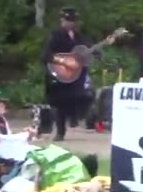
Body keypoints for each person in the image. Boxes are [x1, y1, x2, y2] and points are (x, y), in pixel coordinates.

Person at [41, 8, 111, 141]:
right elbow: (46, 55)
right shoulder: (55, 35)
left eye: (73, 21)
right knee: (59, 102)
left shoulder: (79, 36)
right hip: (59, 73)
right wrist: (64, 62)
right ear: (62, 20)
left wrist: (100, 49)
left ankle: (75, 117)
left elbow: (87, 49)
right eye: (68, 20)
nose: (71, 23)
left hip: (75, 76)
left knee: (83, 96)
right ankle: (60, 131)